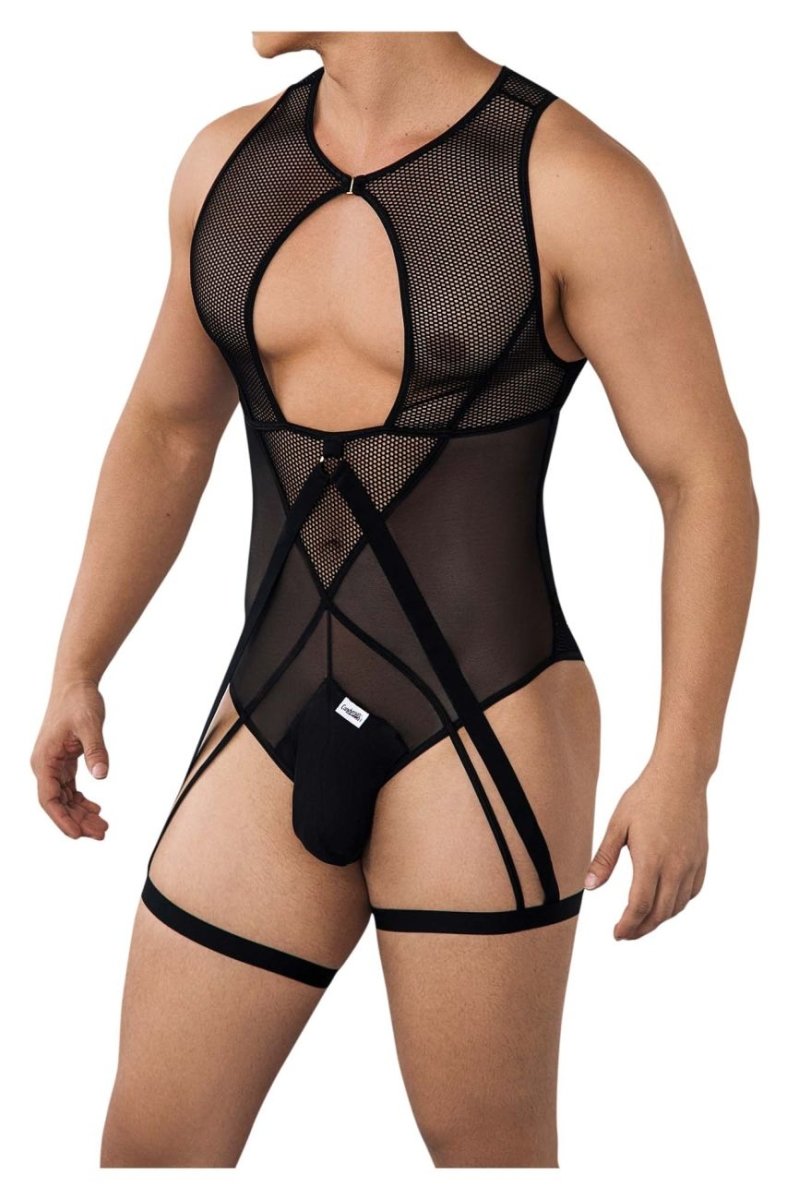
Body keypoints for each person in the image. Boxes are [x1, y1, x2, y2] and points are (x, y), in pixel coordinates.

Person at [30, 31, 758, 1169]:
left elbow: (704, 477)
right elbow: (168, 432)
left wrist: (684, 762)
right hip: (266, 712)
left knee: (487, 1158)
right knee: (152, 1150)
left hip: (485, 713)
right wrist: (79, 662)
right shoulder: (225, 166)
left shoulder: (574, 185)